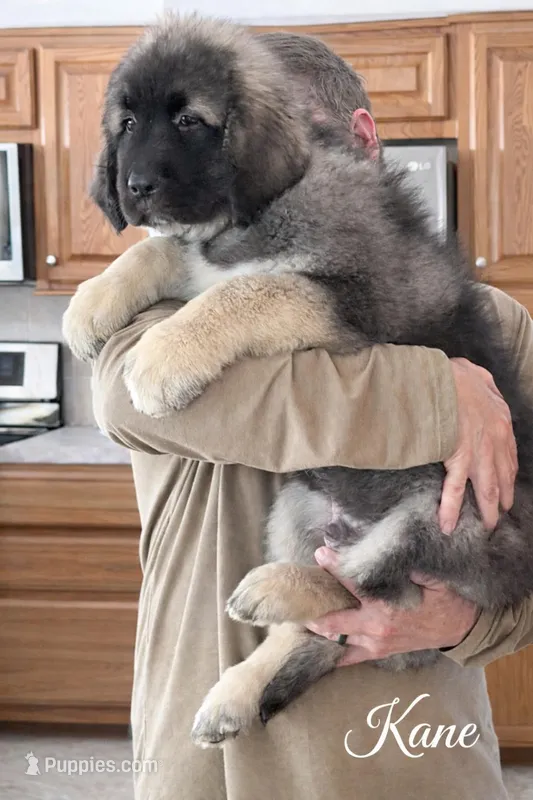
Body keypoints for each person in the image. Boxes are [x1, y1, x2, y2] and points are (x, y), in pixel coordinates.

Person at [91, 35, 532, 800]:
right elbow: (147, 397)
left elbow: (519, 555)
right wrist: (439, 392)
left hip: (419, 758)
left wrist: (462, 625)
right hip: (211, 771)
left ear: (357, 141)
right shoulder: (157, 309)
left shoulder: (497, 319)